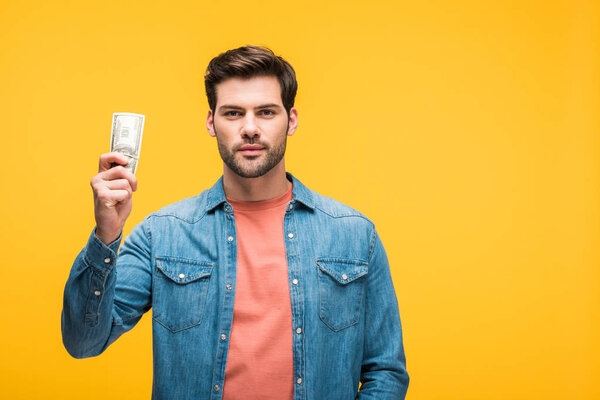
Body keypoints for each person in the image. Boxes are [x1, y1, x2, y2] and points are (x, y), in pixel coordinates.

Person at [61, 45, 409, 399]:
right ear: (211, 122)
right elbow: (83, 341)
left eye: (266, 112)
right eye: (233, 113)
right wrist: (107, 233)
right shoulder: (161, 234)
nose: (250, 128)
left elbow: (386, 371)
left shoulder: (353, 235)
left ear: (291, 120)